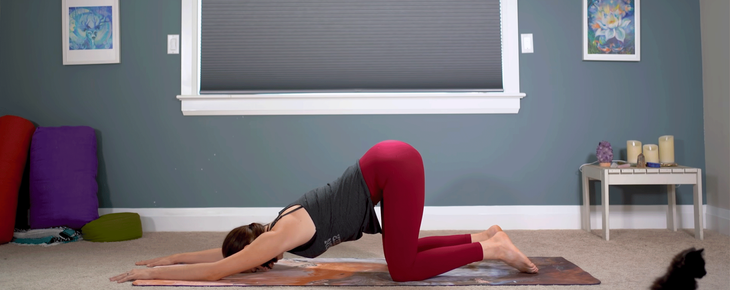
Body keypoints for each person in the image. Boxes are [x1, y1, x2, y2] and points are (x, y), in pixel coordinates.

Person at [110, 140, 538, 283]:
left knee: (402, 269)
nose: (253, 268)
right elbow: (220, 257)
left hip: (392, 167)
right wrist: (165, 258)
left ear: (258, 257)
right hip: (389, 163)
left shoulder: (276, 240)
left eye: (252, 265)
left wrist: (153, 276)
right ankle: (482, 236)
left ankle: (492, 249)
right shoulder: (272, 228)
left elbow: (219, 270)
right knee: (400, 250)